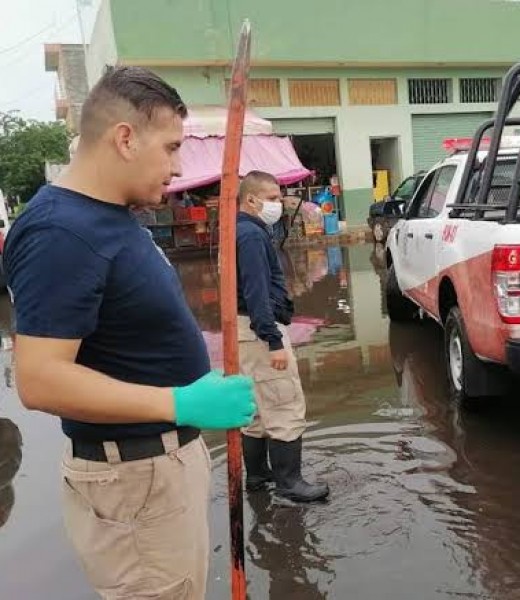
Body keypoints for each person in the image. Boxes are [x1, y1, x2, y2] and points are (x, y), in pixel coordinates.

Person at [2, 66, 256, 599]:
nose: (178, 166)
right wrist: (181, 401)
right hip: (135, 479)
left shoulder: (111, 216)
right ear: (124, 138)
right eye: (170, 148)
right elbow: (41, 380)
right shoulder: (61, 231)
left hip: (156, 470)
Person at [236, 170, 329, 503]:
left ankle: (260, 477)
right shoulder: (250, 236)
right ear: (251, 199)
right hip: (260, 330)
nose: (279, 204)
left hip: (247, 330)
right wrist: (273, 341)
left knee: (258, 411)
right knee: (284, 405)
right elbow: (256, 291)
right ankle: (289, 484)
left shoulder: (246, 231)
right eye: (273, 198)